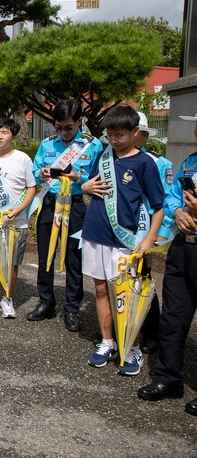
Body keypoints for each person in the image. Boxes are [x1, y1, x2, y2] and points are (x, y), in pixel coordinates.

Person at [80, 105, 164, 375]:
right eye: (110, 135)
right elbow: (89, 184)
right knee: (101, 290)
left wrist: (149, 239)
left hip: (124, 238)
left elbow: (158, 207)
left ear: (134, 132)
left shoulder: (145, 163)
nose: (114, 140)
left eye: (119, 135)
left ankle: (134, 347)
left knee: (125, 295)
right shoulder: (105, 157)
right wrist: (84, 186)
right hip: (95, 233)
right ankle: (107, 343)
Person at [137, 113, 197, 417]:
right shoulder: (190, 162)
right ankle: (168, 378)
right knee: (173, 316)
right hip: (183, 249)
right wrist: (178, 212)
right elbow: (172, 197)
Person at [28, 99, 103, 331]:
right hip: (50, 203)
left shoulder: (93, 146)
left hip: (76, 204)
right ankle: (46, 301)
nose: (63, 132)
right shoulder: (47, 144)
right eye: (58, 127)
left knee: (73, 258)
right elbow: (35, 173)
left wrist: (78, 177)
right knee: (46, 255)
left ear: (79, 121)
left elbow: (98, 180)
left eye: (68, 127)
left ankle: (72, 307)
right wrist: (41, 173)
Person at [0, 118, 36, 319]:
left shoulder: (23, 159)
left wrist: (20, 209)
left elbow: (32, 188)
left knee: (11, 261)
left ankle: (7, 298)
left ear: (14, 136)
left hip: (16, 219)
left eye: (4, 132)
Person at [134, 112, 174, 355]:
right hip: (123, 225)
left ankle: (151, 331)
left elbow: (167, 200)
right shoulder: (112, 160)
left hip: (147, 225)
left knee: (143, 277)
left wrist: (160, 231)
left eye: (135, 130)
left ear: (145, 135)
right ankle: (125, 327)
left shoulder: (159, 163)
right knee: (122, 275)